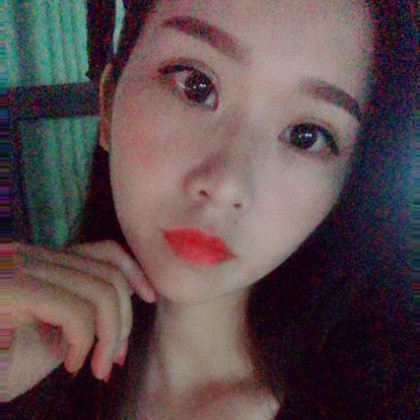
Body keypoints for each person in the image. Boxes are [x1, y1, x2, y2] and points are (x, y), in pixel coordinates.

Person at [7, 0, 416, 418]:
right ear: (109, 103)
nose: (226, 185)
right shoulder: (23, 360)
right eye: (196, 85)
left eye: (306, 136)